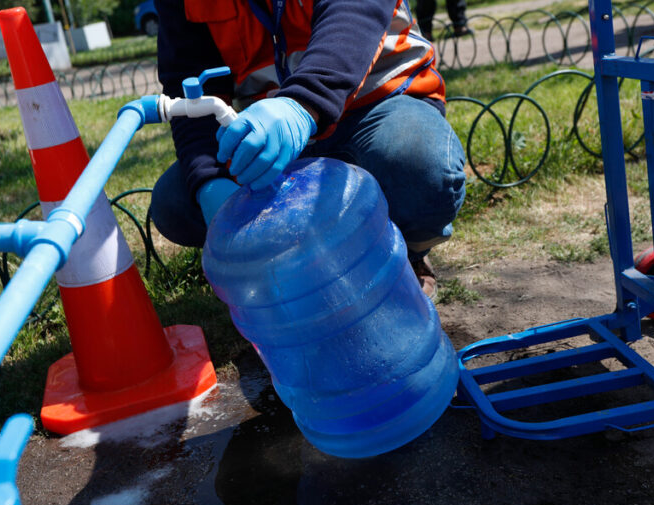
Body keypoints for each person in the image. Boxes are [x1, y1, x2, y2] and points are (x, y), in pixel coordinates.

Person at [150, 0, 466, 300]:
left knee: (416, 161)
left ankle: (400, 251)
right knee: (177, 202)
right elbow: (188, 78)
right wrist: (211, 180)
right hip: (272, 131)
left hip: (376, 106)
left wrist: (302, 105)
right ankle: (293, 270)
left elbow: (352, 15)